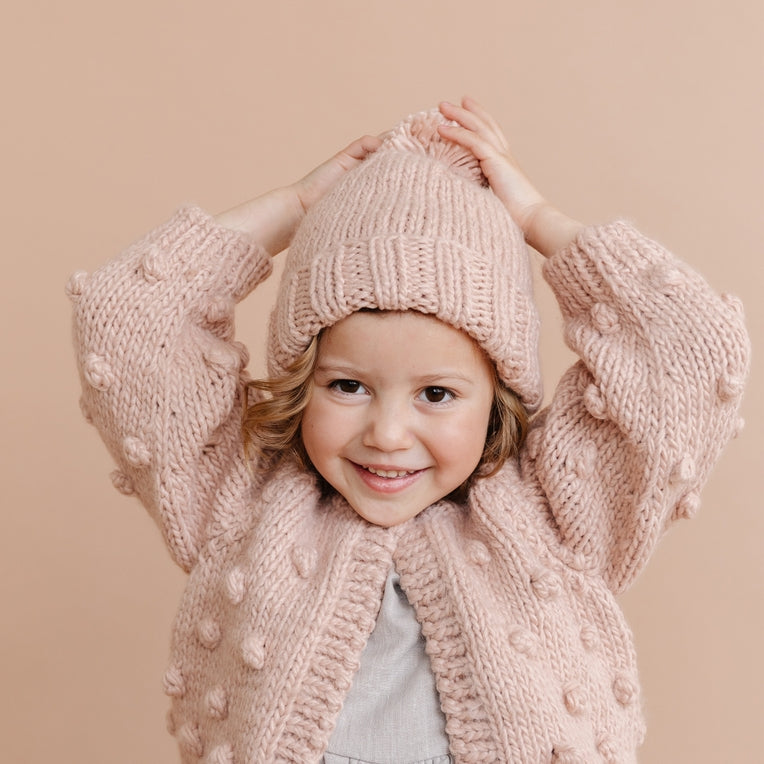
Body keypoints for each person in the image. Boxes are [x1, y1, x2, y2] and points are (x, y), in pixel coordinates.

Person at [68, 98, 750, 763]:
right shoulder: (243, 496)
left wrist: (537, 220)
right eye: (348, 385)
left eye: (436, 394)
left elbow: (694, 349)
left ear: (497, 398)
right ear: (303, 379)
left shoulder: (554, 511)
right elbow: (126, 319)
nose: (388, 434)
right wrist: (294, 209)